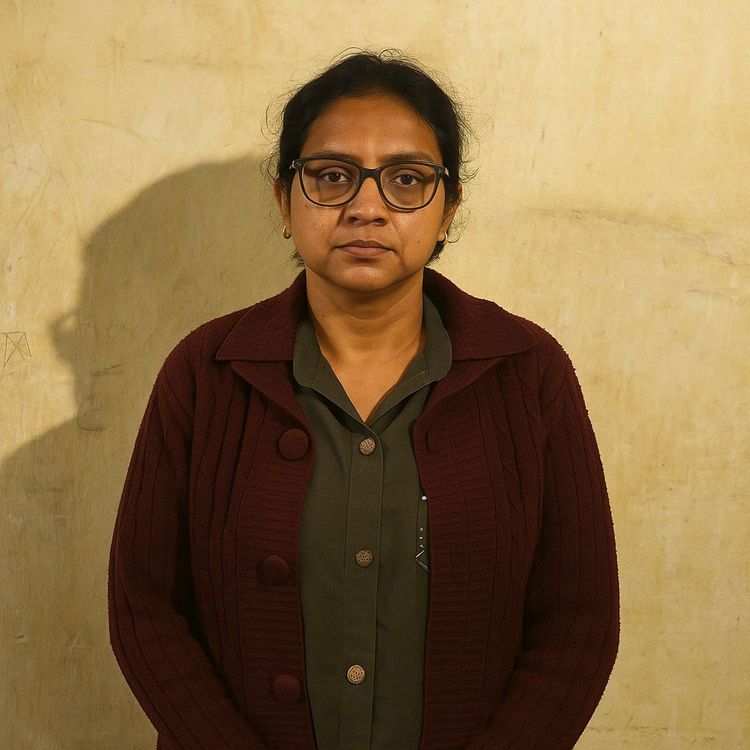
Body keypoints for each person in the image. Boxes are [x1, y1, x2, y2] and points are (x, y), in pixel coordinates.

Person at [108, 49, 619, 750]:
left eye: (407, 179)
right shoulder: (206, 372)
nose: (367, 208)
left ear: (448, 209)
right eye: (332, 176)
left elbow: (578, 624)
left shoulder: (528, 374)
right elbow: (144, 608)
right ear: (284, 201)